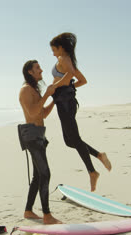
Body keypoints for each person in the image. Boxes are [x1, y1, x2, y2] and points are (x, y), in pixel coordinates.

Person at [49, 32, 112, 192]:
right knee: (69, 141)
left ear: (60, 47)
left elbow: (70, 75)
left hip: (65, 104)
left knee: (74, 139)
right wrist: (68, 86)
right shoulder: (66, 59)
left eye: (54, 49)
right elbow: (82, 81)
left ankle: (92, 172)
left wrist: (58, 86)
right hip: (64, 102)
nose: (52, 52)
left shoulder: (63, 59)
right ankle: (99, 155)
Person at [18, 60, 62, 224]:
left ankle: (28, 211)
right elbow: (32, 111)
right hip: (32, 137)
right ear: (30, 72)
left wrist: (53, 100)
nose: (41, 70)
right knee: (45, 174)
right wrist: (47, 95)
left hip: (39, 136)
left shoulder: (34, 90)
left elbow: (42, 114)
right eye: (37, 68)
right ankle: (47, 215)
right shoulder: (26, 90)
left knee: (38, 176)